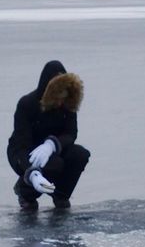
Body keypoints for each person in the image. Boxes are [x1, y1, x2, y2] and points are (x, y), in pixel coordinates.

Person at [6, 60, 89, 211]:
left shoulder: (68, 105)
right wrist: (32, 173)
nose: (60, 103)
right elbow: (21, 144)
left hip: (53, 149)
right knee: (54, 164)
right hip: (24, 152)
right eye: (57, 98)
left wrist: (51, 144)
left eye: (63, 98)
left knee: (80, 155)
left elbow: (71, 133)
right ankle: (25, 193)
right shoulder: (27, 104)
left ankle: (61, 194)